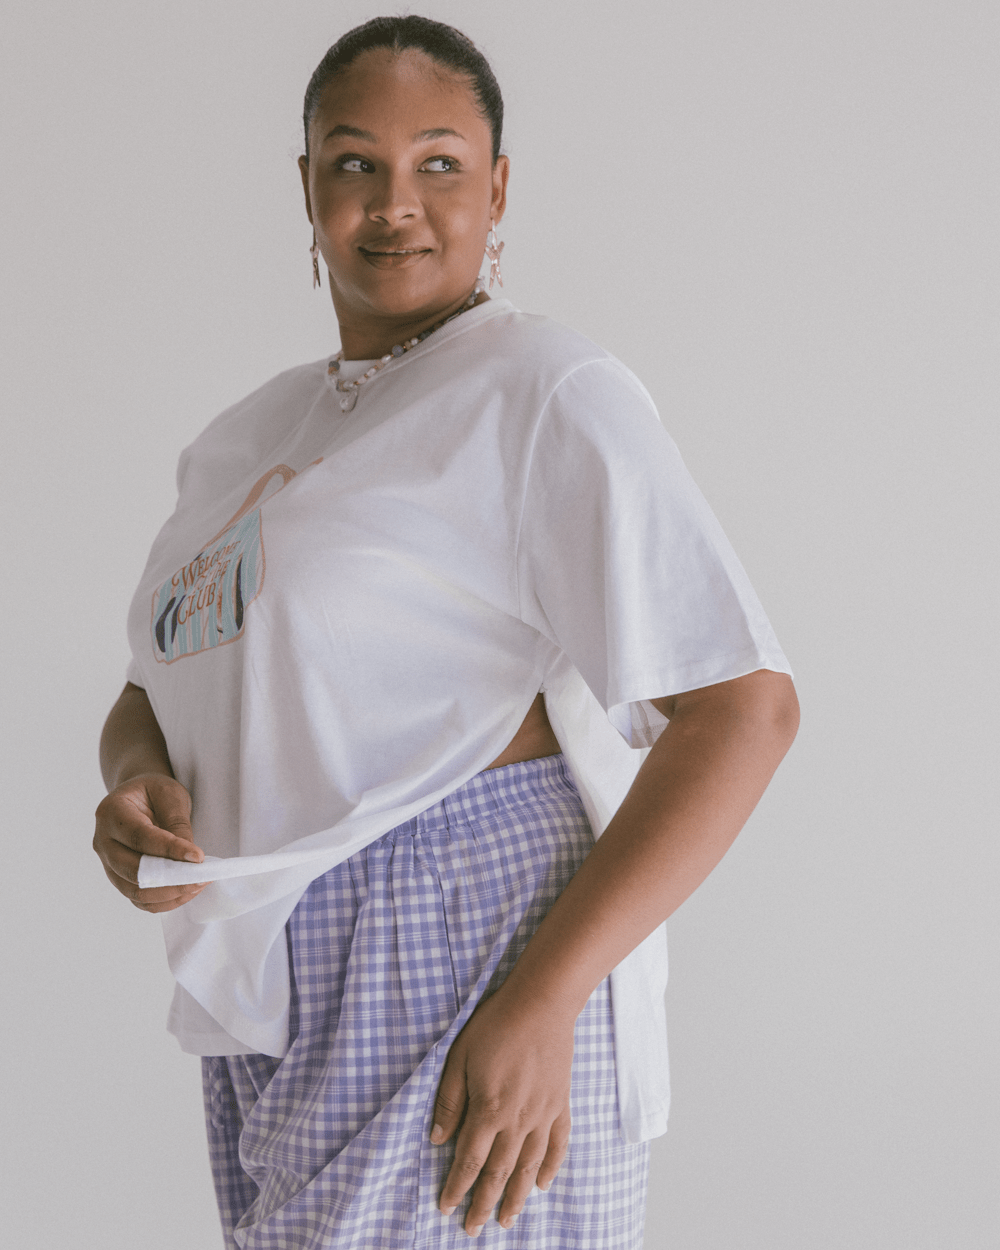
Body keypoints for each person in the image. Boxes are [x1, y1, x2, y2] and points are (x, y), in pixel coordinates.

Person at [93, 15, 799, 1248]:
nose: (394, 204)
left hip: (460, 933)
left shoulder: (542, 388)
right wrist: (136, 779)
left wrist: (545, 996)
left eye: (438, 163)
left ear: (497, 188)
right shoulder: (247, 436)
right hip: (272, 962)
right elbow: (155, 683)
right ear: (306, 188)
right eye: (353, 163)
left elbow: (744, 706)